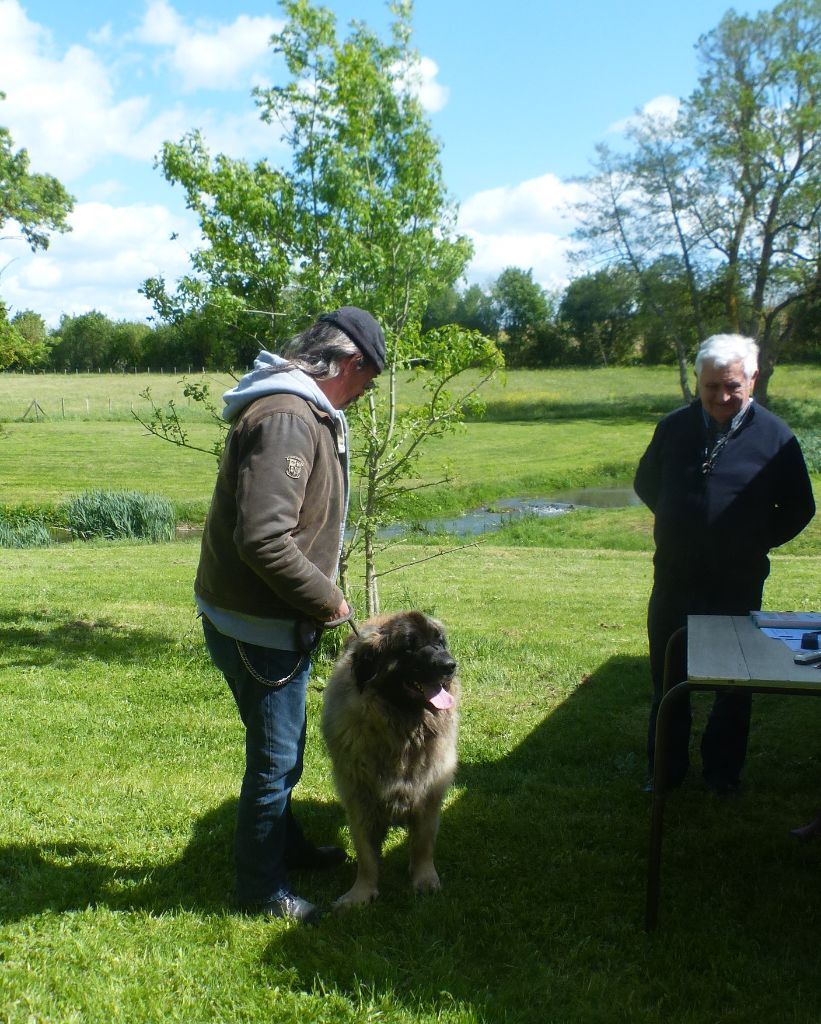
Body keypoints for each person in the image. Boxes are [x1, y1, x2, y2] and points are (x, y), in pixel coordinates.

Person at [195, 306, 385, 923]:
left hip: (262, 616)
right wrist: (326, 598)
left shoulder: (300, 410)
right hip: (261, 624)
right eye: (368, 380)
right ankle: (260, 890)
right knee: (275, 759)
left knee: (287, 746)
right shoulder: (286, 419)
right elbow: (264, 539)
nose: (363, 395)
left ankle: (285, 844)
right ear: (350, 364)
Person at [635, 334, 815, 796]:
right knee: (669, 678)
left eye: (732, 386)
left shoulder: (777, 438)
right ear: (698, 381)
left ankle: (722, 775)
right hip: (674, 580)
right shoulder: (673, 429)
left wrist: (749, 541)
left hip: (737, 584)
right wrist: (683, 525)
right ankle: (665, 772)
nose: (721, 397)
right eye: (711, 386)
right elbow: (647, 483)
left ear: (753, 379)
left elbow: (800, 508)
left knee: (736, 685)